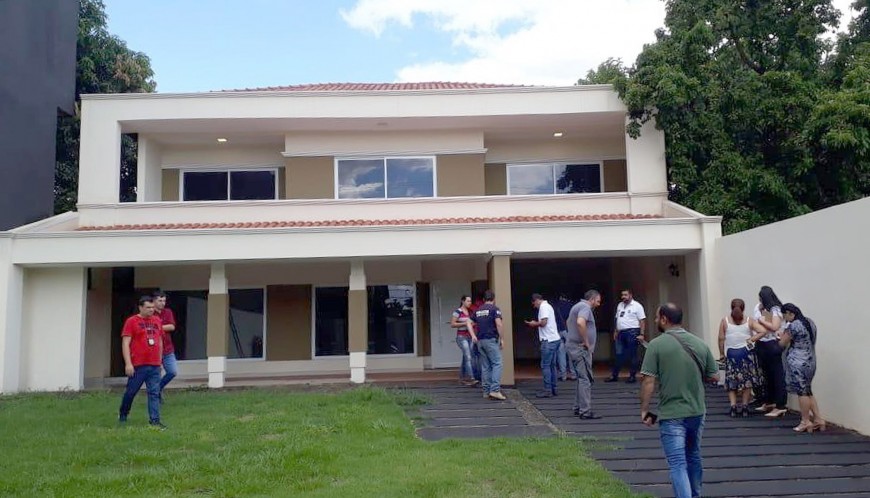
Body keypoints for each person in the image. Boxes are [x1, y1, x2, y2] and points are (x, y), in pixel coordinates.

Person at [640, 303, 718, 498]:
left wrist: (645, 409)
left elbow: (648, 381)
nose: (655, 320)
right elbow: (714, 376)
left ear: (664, 319)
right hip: (697, 410)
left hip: (671, 413)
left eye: (657, 317)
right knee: (693, 456)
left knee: (677, 463)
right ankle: (695, 494)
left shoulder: (655, 345)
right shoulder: (700, 343)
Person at [118, 295, 167, 429]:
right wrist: (128, 363)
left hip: (154, 364)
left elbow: (160, 341)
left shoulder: (157, 320)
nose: (151, 310)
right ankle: (123, 413)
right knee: (131, 392)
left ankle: (155, 420)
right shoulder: (132, 321)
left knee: (154, 393)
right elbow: (125, 343)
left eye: (152, 307)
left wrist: (160, 360)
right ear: (140, 307)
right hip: (138, 364)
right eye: (148, 307)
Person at [780, 303, 825, 433]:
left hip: (798, 361)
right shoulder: (810, 322)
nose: (784, 319)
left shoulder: (794, 325)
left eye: (785, 316)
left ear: (790, 313)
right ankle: (818, 419)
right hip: (811, 360)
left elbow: (782, 343)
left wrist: (781, 336)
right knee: (808, 390)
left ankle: (805, 421)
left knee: (802, 392)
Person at [749, 286, 788, 418]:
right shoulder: (760, 308)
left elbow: (775, 326)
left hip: (772, 343)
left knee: (776, 374)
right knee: (766, 374)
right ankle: (769, 401)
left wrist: (761, 320)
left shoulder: (775, 309)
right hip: (761, 342)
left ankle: (780, 405)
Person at [565, 290, 603, 419]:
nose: (598, 304)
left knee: (581, 378)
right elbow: (580, 322)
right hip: (580, 349)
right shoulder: (585, 307)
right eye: (598, 301)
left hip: (573, 346)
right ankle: (585, 411)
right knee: (586, 379)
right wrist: (586, 342)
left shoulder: (576, 306)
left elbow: (568, 322)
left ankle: (578, 407)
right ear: (591, 299)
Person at [717, 298, 755, 417]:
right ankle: (745, 407)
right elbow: (762, 331)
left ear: (731, 308)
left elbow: (721, 339)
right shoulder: (749, 320)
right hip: (746, 355)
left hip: (732, 355)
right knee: (747, 382)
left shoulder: (725, 321)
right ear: (743, 308)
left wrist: (721, 353)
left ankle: (733, 407)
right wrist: (752, 339)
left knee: (731, 382)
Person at [470, 290, 506, 400]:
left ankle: (486, 391)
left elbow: (468, 322)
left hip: (480, 341)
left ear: (484, 299)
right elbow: (499, 324)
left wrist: (473, 335)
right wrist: (502, 338)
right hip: (490, 340)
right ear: (493, 299)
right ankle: (495, 390)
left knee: (485, 366)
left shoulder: (477, 310)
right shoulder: (495, 309)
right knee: (497, 363)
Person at [606, 289, 647, 383]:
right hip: (620, 332)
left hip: (632, 332)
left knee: (632, 354)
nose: (623, 297)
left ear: (630, 295)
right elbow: (617, 319)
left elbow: (642, 321)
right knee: (619, 354)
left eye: (625, 295)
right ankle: (614, 376)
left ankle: (632, 376)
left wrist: (642, 334)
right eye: (622, 295)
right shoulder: (620, 305)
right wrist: (616, 331)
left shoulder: (637, 306)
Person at [525, 293, 561, 398]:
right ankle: (554, 388)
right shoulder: (548, 306)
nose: (534, 306)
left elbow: (544, 322)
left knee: (545, 365)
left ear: (536, 300)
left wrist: (533, 323)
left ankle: (547, 390)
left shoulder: (543, 307)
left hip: (548, 340)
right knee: (552, 365)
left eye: (534, 304)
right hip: (555, 339)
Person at [450, 295, 479, 386]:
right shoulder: (457, 312)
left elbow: (474, 322)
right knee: (468, 356)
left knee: (467, 357)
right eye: (468, 301)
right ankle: (471, 378)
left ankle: (463, 377)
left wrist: (472, 324)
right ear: (463, 301)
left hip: (470, 337)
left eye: (470, 301)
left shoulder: (471, 312)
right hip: (461, 337)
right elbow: (452, 324)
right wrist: (465, 323)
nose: (470, 303)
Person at [154, 291, 178, 399]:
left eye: (164, 301)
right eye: (160, 300)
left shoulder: (168, 312)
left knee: (172, 371)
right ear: (154, 301)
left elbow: (172, 327)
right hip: (154, 350)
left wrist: (156, 327)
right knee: (156, 374)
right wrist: (163, 327)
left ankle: (157, 389)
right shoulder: (150, 313)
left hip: (168, 349)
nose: (162, 303)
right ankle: (156, 397)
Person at [554, 294, 577, 381]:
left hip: (558, 331)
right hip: (569, 330)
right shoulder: (572, 306)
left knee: (561, 353)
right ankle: (573, 374)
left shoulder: (555, 306)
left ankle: (563, 375)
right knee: (571, 353)